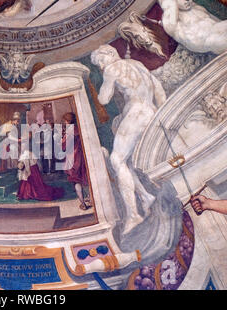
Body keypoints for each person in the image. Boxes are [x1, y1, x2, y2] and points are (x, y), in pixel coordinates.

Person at [91, 44, 166, 234]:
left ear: (109, 54)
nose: (101, 65)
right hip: (151, 111)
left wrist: (100, 88)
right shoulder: (137, 64)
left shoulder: (112, 68)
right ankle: (145, 197)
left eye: (100, 60)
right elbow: (158, 90)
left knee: (116, 160)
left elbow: (104, 99)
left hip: (136, 113)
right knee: (127, 163)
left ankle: (133, 215)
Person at [158, 0, 227, 54]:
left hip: (217, 30)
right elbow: (170, 19)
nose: (187, 1)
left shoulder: (196, 9)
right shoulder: (170, 22)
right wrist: (170, 3)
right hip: (212, 42)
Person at [61, 112, 91, 211]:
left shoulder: (69, 131)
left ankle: (83, 204)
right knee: (85, 178)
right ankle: (91, 199)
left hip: (72, 158)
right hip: (82, 156)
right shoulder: (78, 129)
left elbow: (63, 146)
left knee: (76, 181)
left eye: (65, 121)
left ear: (67, 121)